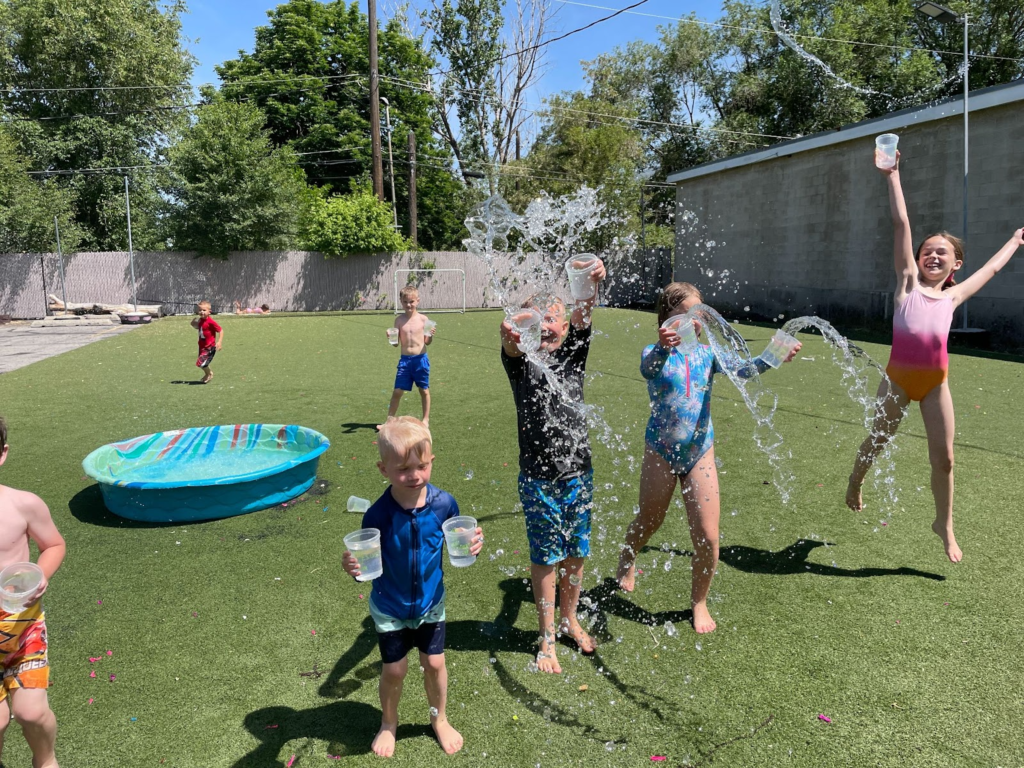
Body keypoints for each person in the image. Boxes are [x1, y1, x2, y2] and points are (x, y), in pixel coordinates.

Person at [845, 151, 1023, 563]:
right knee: (878, 438)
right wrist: (893, 176)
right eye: (927, 251)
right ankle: (856, 479)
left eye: (942, 253)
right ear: (917, 259)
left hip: (934, 386)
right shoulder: (907, 284)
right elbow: (901, 224)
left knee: (945, 460)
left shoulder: (954, 296)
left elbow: (991, 270)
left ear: (955, 264)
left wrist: (1015, 241)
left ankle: (944, 523)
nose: (933, 256)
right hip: (897, 380)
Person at [615, 283, 801, 633]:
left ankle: (699, 602)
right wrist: (662, 346)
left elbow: (743, 370)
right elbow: (648, 369)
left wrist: (775, 355)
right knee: (650, 520)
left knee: (708, 536)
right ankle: (628, 555)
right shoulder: (653, 352)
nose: (695, 322)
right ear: (667, 318)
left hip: (699, 452)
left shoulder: (707, 354)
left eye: (698, 314)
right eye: (686, 315)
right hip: (660, 450)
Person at [342, 417, 482, 758]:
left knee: (434, 663)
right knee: (395, 669)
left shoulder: (444, 504)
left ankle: (439, 719)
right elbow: (366, 564)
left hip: (431, 603)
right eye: (404, 469)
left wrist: (472, 544)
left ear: (431, 460)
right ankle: (388, 722)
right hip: (390, 606)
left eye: (422, 465)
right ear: (384, 469)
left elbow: (457, 541)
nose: (415, 475)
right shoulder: (378, 515)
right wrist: (354, 569)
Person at [499, 259, 606, 674]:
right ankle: (546, 635)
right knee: (546, 556)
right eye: (535, 320)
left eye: (552, 319)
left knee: (576, 552)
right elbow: (510, 346)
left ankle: (568, 619)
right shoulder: (521, 363)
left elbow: (584, 313)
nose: (545, 327)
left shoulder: (574, 356)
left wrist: (590, 283)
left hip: (579, 472)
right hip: (538, 478)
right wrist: (510, 337)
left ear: (564, 327)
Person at [0, 417, 66, 768]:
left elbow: (53, 544)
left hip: (22, 628)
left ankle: (45, 759)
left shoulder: (22, 505)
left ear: (2, 454)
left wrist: (42, 575)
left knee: (31, 713)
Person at [381, 287, 435, 428]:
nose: (408, 305)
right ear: (401, 302)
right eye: (405, 302)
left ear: (417, 301)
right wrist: (390, 337)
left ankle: (425, 420)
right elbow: (395, 344)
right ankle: (389, 421)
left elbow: (427, 342)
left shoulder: (424, 319)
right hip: (405, 361)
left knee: (424, 390)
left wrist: (430, 335)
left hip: (420, 360)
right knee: (397, 391)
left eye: (411, 301)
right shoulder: (399, 320)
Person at [190, 301, 223, 384]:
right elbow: (199, 328)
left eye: (204, 310)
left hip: (209, 347)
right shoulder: (200, 320)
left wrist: (219, 342)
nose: (202, 312)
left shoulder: (211, 322)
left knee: (201, 363)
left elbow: (221, 330)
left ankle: (209, 374)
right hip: (202, 346)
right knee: (201, 363)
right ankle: (207, 374)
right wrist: (193, 324)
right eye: (200, 310)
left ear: (209, 312)